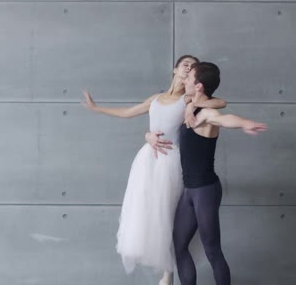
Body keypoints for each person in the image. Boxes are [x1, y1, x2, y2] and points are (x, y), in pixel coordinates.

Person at [81, 55, 227, 285]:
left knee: (169, 215)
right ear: (175, 70)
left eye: (192, 67)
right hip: (149, 161)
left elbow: (220, 103)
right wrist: (98, 109)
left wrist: (197, 103)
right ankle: (165, 271)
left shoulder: (189, 100)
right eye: (185, 65)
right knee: (150, 214)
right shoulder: (157, 98)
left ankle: (168, 273)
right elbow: (130, 112)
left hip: (172, 161)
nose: (189, 69)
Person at [146, 62, 267, 285]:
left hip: (205, 191)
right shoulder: (190, 106)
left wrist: (244, 123)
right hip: (189, 191)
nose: (184, 80)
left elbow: (224, 118)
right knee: (179, 245)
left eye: (189, 77)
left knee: (212, 249)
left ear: (199, 85)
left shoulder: (208, 113)